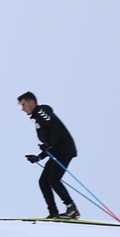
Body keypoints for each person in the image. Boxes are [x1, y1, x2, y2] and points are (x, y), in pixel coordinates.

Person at [18, 91, 79, 219]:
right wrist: (38, 157)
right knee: (43, 181)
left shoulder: (40, 112)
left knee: (53, 179)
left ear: (32, 102)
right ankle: (53, 212)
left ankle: (72, 208)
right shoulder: (38, 118)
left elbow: (55, 126)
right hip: (57, 152)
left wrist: (50, 145)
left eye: (23, 104)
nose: (22, 109)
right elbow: (49, 142)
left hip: (64, 150)